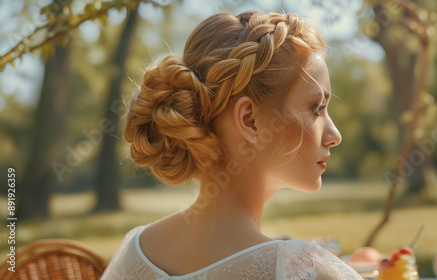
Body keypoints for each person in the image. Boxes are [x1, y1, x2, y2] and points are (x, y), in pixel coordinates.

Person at [102, 11, 362, 280]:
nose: (334, 135)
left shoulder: (134, 252)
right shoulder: (302, 269)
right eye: (317, 108)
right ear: (249, 120)